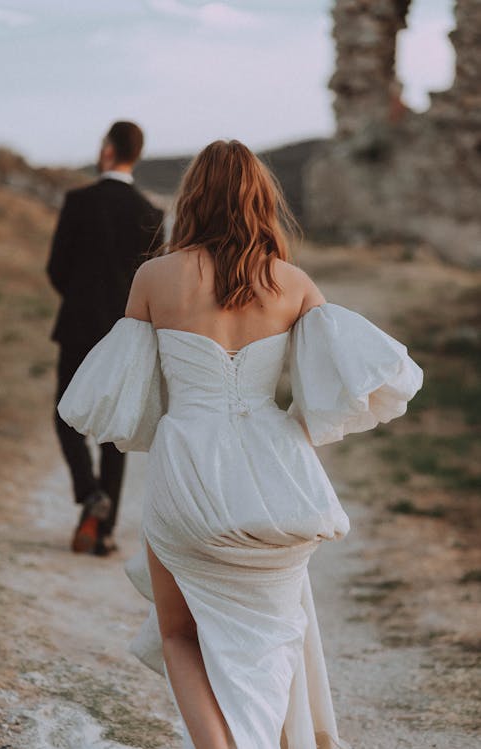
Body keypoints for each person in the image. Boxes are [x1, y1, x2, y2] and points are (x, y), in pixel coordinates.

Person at [58, 140, 423, 747]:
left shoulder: (154, 278)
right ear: (262, 200)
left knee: (179, 634)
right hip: (277, 475)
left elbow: (122, 397)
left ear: (192, 197)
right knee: (272, 640)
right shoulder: (295, 284)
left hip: (188, 473)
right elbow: (340, 387)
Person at [47, 120, 164, 557]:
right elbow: (150, 278)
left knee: (65, 416)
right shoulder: (152, 213)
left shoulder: (79, 201)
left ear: (109, 151)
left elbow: (56, 267)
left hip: (78, 325)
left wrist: (78, 299)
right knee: (115, 431)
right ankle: (105, 531)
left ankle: (90, 494)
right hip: (124, 334)